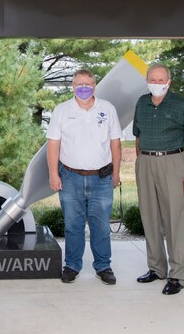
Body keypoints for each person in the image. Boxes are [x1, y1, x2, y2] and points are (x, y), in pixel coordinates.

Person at [47, 68, 122, 285]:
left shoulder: (107, 109)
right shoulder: (62, 110)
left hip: (101, 178)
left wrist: (116, 173)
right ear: (72, 86)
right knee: (73, 225)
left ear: (95, 86)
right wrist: (53, 174)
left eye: (88, 84)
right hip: (70, 177)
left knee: (100, 225)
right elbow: (53, 144)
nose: (83, 88)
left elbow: (115, 143)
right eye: (79, 84)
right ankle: (72, 265)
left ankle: (103, 266)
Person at [133, 63, 184, 295]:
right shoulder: (141, 103)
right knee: (149, 216)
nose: (157, 83)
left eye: (162, 80)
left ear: (169, 81)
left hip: (173, 162)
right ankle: (157, 268)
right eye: (153, 79)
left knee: (174, 219)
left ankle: (177, 275)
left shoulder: (180, 105)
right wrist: (141, 161)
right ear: (147, 80)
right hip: (146, 162)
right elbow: (138, 136)